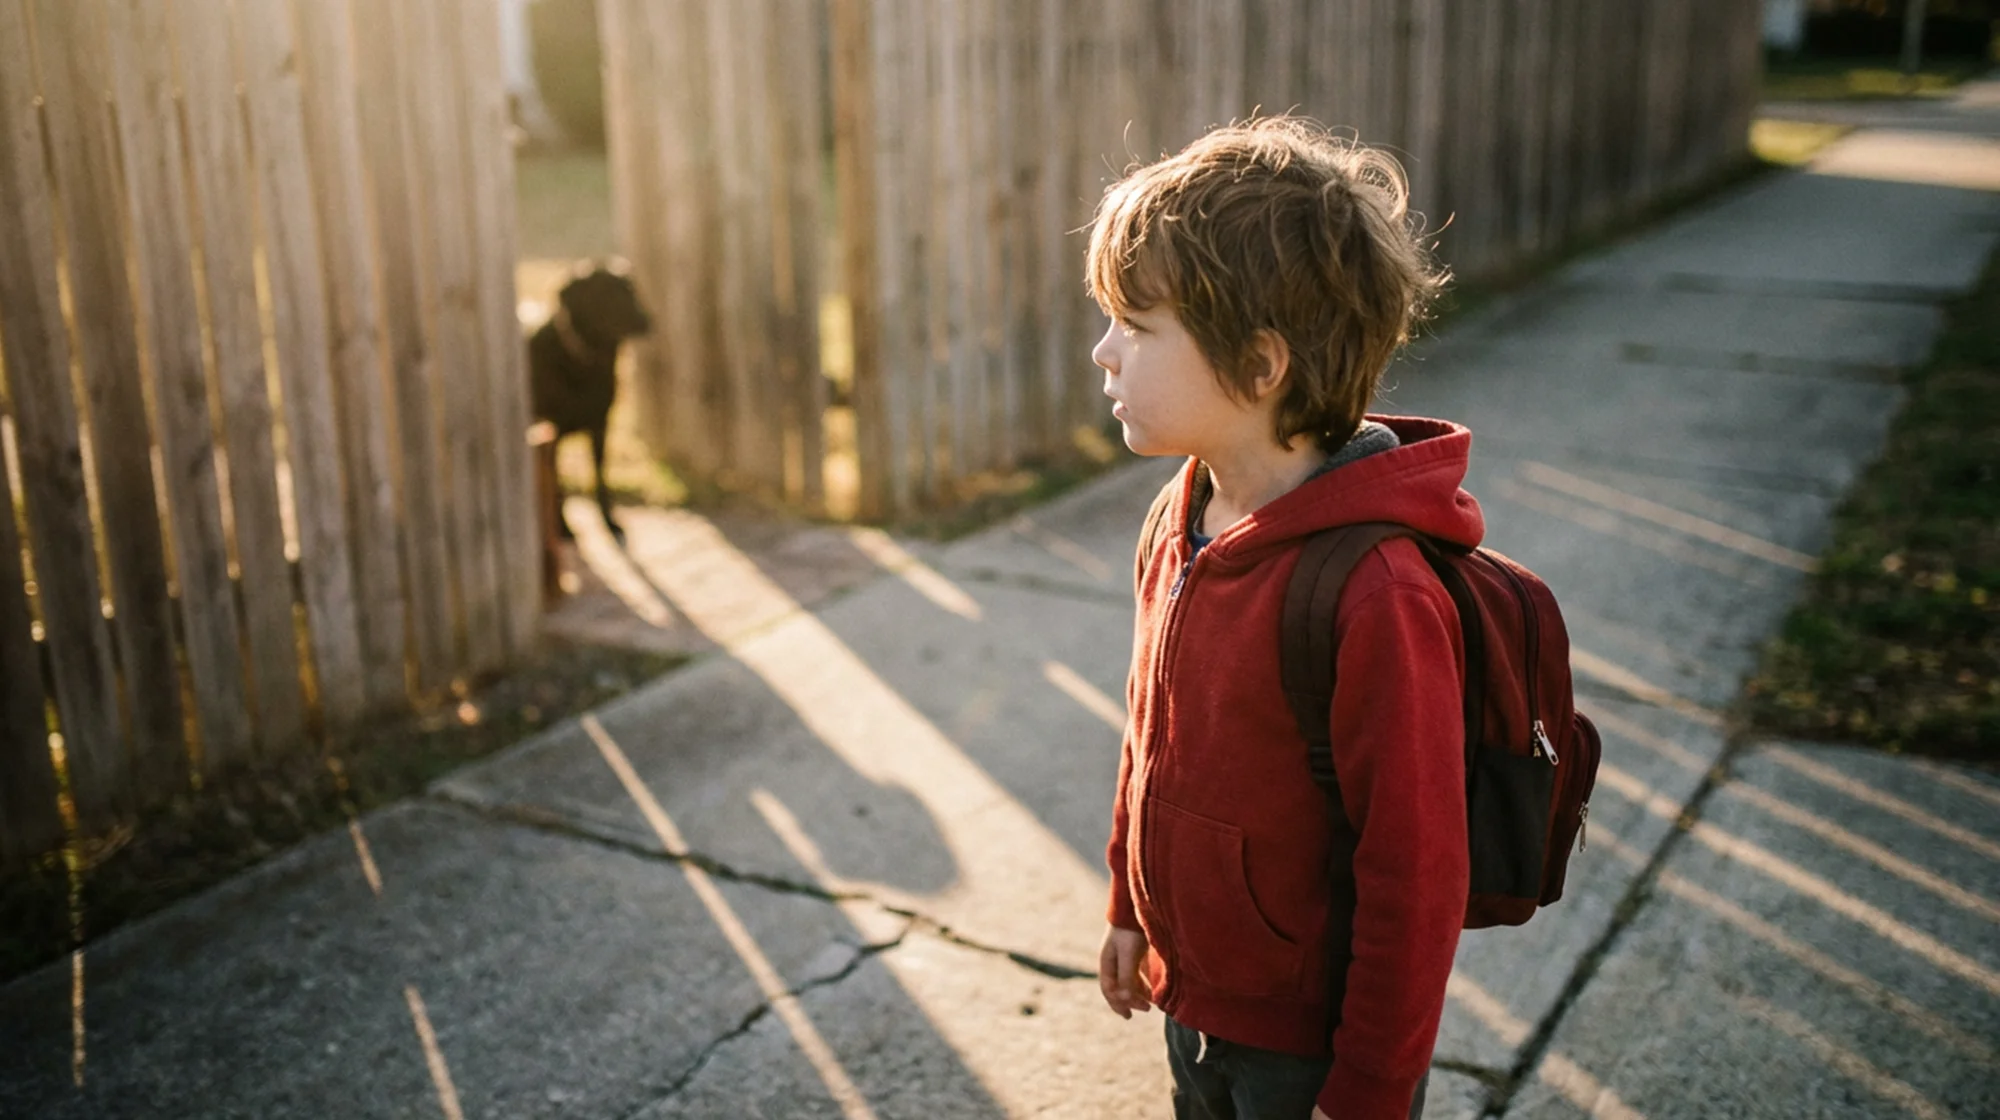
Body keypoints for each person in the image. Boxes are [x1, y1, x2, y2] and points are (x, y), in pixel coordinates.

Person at [1089, 116, 1473, 1120]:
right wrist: (1131, 906)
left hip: (1308, 1050)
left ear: (1260, 365)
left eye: (1135, 326)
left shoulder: (1375, 593)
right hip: (1192, 998)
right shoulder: (1174, 520)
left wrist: (1367, 1093)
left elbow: (1415, 874)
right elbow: (1149, 738)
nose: (1102, 351)